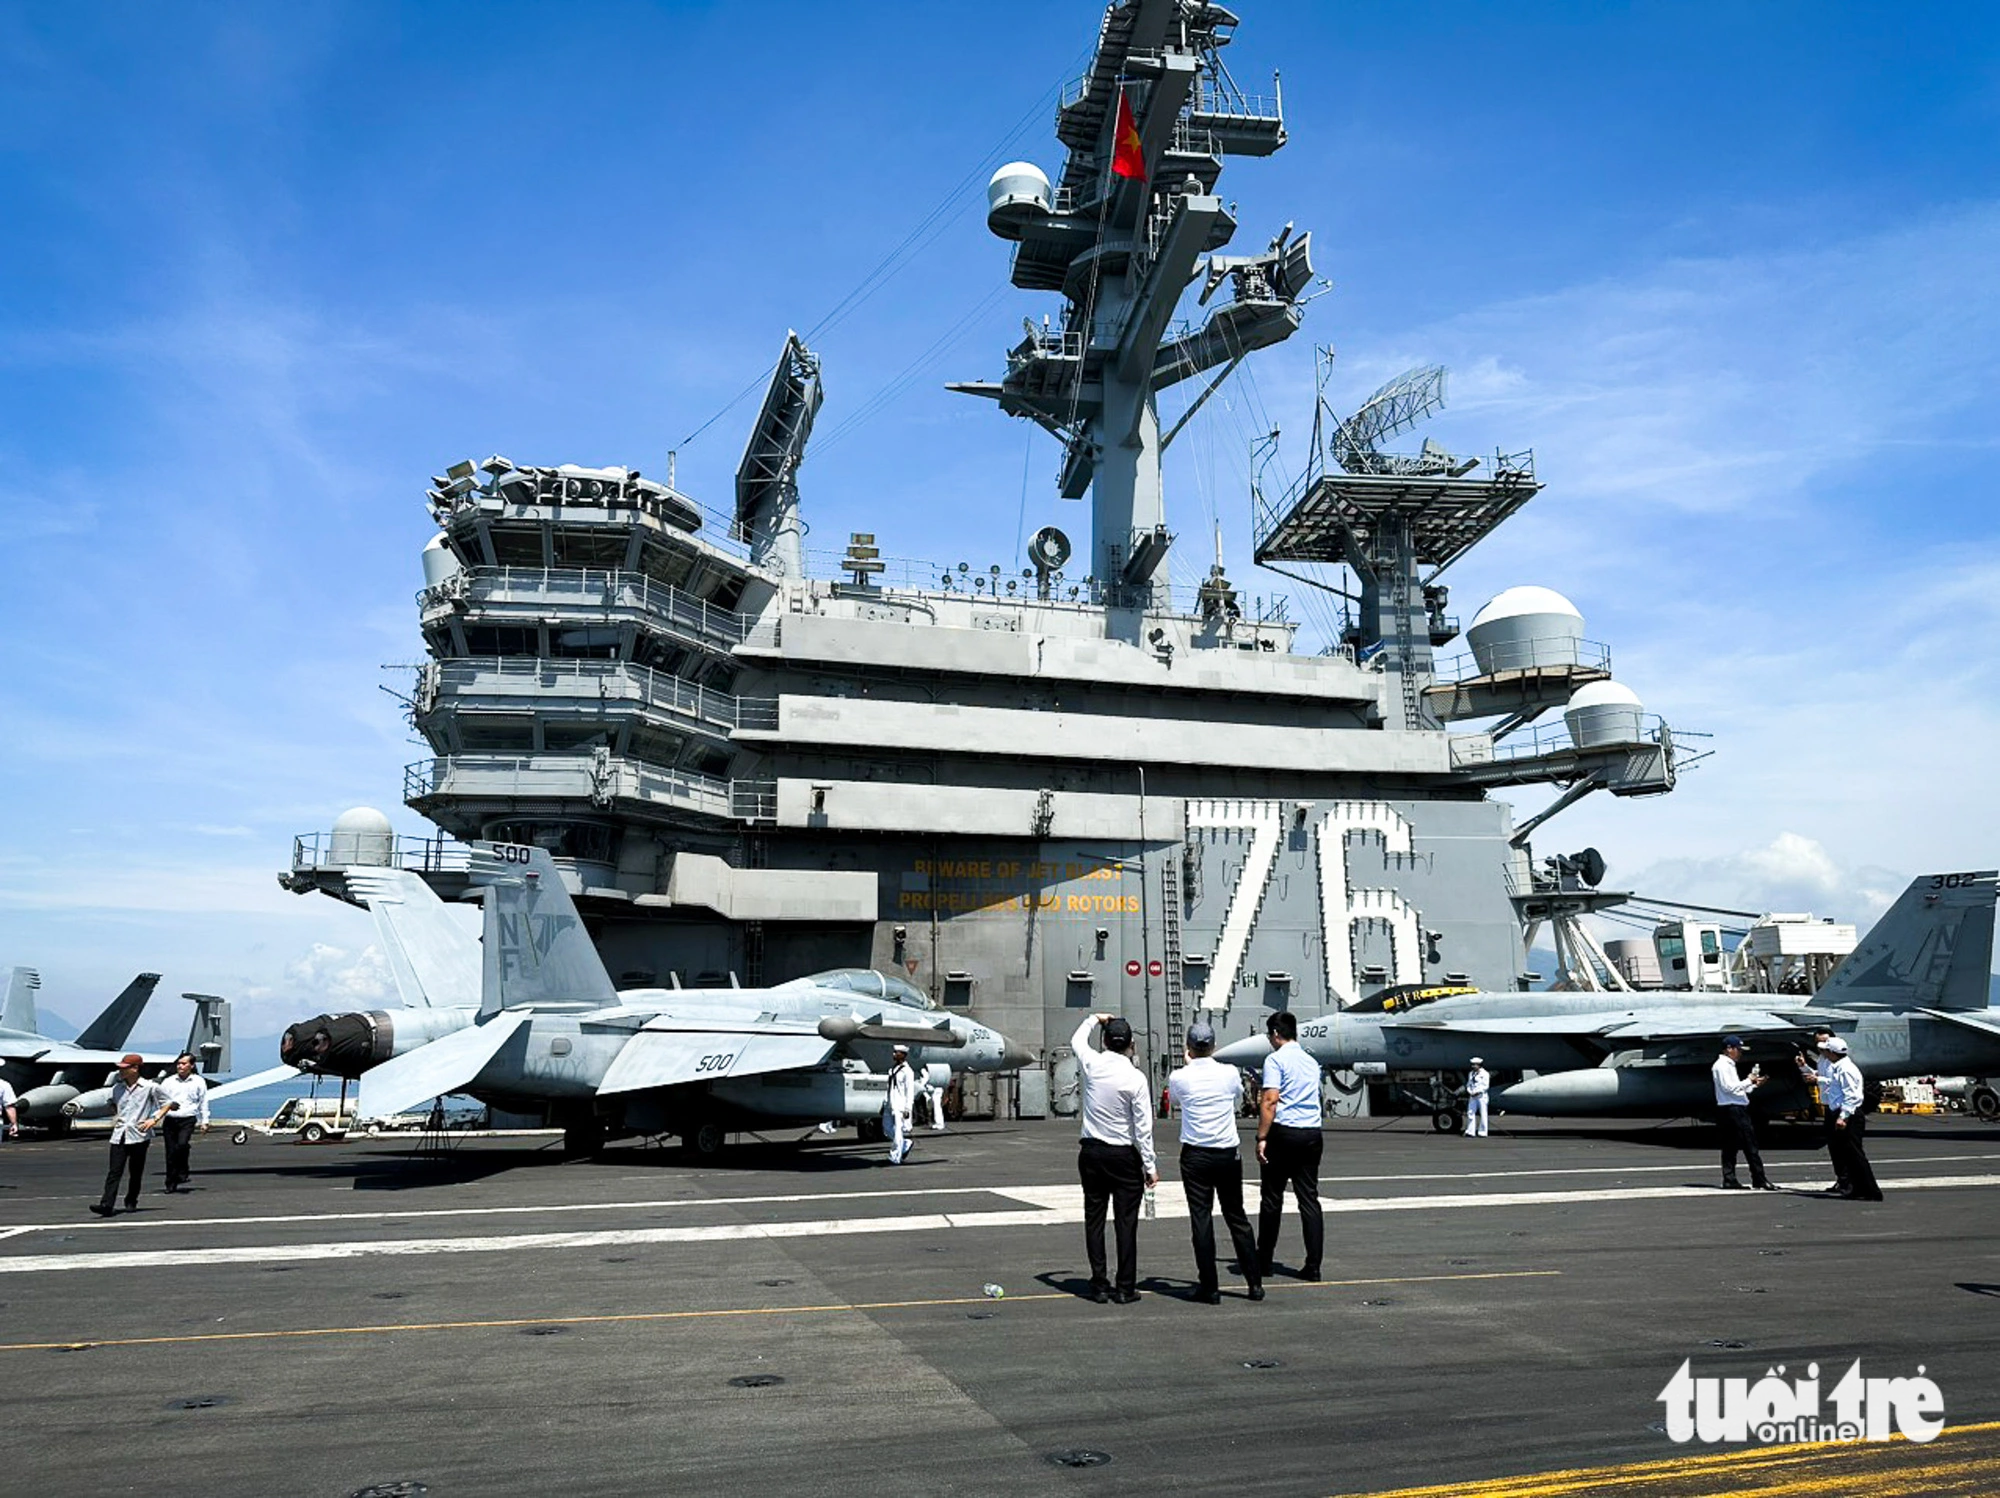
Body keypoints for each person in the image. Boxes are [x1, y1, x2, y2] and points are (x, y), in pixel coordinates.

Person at [1166, 1020, 1263, 1303]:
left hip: (1196, 1154)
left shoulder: (1179, 1077)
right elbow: (1237, 1094)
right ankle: (1254, 1284)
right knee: (1237, 1217)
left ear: (1188, 1047)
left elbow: (1174, 1103)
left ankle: (1209, 1287)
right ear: (1213, 1046)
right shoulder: (1230, 1072)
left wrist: (1188, 1065)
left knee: (1201, 1219)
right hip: (1226, 1153)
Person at [1073, 1011, 1157, 1304]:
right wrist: (1150, 1165)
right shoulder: (1136, 1078)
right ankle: (1125, 1287)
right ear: (1131, 1044)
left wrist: (1095, 1018)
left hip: (1092, 1152)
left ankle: (1098, 1284)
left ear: (1105, 1041)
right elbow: (1143, 1127)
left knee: (1094, 1220)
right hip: (1123, 1155)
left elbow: (1077, 1040)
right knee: (1126, 1223)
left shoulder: (1093, 1064)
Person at [1256, 1011, 1324, 1280]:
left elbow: (1270, 1101)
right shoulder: (1311, 1061)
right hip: (1311, 1134)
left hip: (1284, 1134)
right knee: (1309, 1199)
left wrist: (1262, 1137)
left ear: (1275, 1033)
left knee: (1272, 1199)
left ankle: (1264, 1261)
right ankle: (1314, 1265)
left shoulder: (1274, 1060)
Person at [92, 1054, 172, 1216]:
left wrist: (153, 1119)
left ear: (135, 1069)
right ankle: (106, 1204)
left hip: (139, 1134)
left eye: (124, 1068)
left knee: (135, 1171)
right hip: (119, 1134)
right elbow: (112, 1103)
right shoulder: (117, 1088)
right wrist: (116, 1115)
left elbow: (168, 1103)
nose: (120, 1071)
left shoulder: (150, 1087)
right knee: (114, 1171)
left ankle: (131, 1200)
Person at [1819, 1037, 1882, 1200]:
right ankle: (1858, 1189)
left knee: (1855, 1155)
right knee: (1847, 1155)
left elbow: (1852, 1096)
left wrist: (1843, 1117)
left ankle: (1871, 1191)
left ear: (1832, 1052)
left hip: (1848, 1115)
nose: (1824, 1052)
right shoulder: (1838, 1067)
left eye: (1826, 1050)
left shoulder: (1846, 1069)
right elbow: (1833, 1084)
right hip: (1841, 1113)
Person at [1712, 1035, 1775, 1190]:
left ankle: (1730, 1178)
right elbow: (1729, 1088)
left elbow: (1736, 1089)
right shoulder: (1722, 1065)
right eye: (1738, 1049)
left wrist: (1753, 1085)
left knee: (1730, 1146)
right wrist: (1749, 1081)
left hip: (1729, 1107)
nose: (1740, 1053)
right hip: (1734, 1109)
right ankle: (1758, 1178)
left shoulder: (1727, 1065)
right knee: (1749, 1144)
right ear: (1729, 1049)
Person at [1795, 1027, 1851, 1194]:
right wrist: (1804, 1067)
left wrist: (1818, 1078)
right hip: (1828, 1106)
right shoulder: (1822, 1059)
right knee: (1834, 1147)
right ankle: (1841, 1180)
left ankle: (1849, 1181)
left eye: (1824, 1042)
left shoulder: (1838, 1062)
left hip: (1839, 1108)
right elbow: (1818, 1077)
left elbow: (1834, 1080)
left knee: (1844, 1147)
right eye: (1818, 1042)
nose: (1821, 1045)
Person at [155, 1051, 210, 1193]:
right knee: (170, 1151)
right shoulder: (169, 1081)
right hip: (171, 1118)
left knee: (182, 1145)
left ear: (191, 1066)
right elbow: (160, 1100)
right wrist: (157, 1116)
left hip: (188, 1118)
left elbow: (203, 1101)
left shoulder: (198, 1081)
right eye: (179, 1063)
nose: (180, 1066)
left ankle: (183, 1169)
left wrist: (205, 1121)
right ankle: (170, 1182)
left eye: (184, 1063)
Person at [884, 1044, 918, 1164]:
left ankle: (895, 1157)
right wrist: (885, 1103)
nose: (894, 1054)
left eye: (897, 1052)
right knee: (887, 1128)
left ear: (903, 1055)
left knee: (898, 1131)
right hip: (890, 1104)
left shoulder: (907, 1071)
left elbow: (909, 1091)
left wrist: (908, 1108)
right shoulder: (892, 1069)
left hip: (900, 1105)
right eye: (894, 1052)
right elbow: (889, 1088)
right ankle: (905, 1143)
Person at [1463, 1057, 1490, 1138]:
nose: (1473, 1066)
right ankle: (1471, 1131)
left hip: (1481, 1096)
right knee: (1470, 1112)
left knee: (1483, 1113)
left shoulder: (1485, 1074)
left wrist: (1478, 1092)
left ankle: (1483, 1132)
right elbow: (1468, 1084)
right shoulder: (1471, 1074)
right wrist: (1470, 1091)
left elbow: (1486, 1086)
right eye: (1472, 1065)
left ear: (1479, 1065)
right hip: (1473, 1095)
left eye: (1475, 1065)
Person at [0, 1075, 17, 1141]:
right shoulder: (4, 1085)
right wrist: (14, 1124)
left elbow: (9, 1106)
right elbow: (9, 1106)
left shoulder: (4, 1085)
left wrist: (13, 1124)